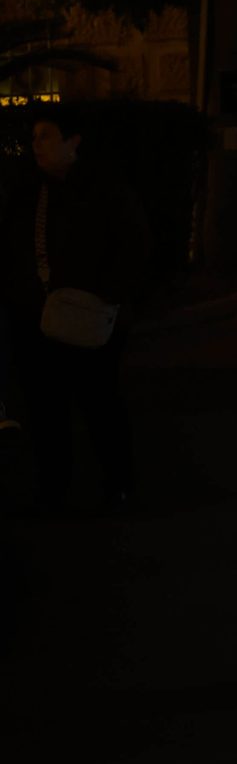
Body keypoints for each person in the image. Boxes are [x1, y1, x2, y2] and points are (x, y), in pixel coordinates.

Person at [0, 106, 149, 511]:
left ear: (74, 141)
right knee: (46, 408)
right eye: (34, 137)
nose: (37, 145)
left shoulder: (106, 190)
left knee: (99, 402)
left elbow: (131, 246)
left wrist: (106, 296)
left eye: (46, 135)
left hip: (92, 317)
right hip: (38, 318)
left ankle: (117, 484)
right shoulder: (29, 193)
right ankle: (54, 488)